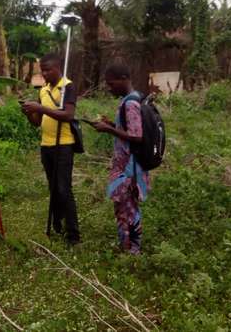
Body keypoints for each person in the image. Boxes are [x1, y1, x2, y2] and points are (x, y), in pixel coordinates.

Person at [21, 53, 80, 246]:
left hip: (63, 145)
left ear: (58, 68)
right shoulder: (44, 90)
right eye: (42, 70)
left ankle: (73, 235)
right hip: (46, 145)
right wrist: (30, 113)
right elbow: (37, 123)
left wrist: (40, 107)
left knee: (64, 188)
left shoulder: (68, 86)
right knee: (53, 187)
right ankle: (58, 225)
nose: (44, 74)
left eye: (48, 70)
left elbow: (68, 115)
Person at [92, 63, 150, 255]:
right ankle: (126, 245)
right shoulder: (131, 99)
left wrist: (108, 129)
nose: (109, 88)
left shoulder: (131, 103)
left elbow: (137, 136)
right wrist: (112, 124)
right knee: (124, 206)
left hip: (128, 167)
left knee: (128, 207)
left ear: (124, 78)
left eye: (111, 83)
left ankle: (133, 249)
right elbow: (129, 130)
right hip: (126, 164)